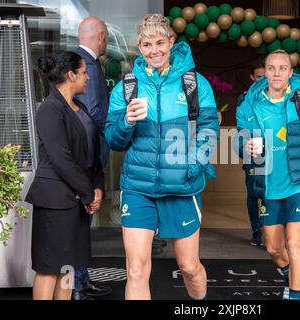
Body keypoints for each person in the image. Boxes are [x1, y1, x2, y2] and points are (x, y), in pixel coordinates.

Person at [105, 14, 219, 300]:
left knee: (189, 267)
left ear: (171, 42)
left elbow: (209, 130)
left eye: (159, 42)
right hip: (138, 188)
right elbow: (113, 140)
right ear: (139, 48)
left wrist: (193, 163)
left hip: (181, 188)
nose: (154, 50)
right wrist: (126, 122)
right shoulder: (127, 87)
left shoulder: (194, 83)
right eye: (146, 44)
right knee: (136, 270)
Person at [236, 49, 300, 300]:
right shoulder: (249, 104)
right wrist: (245, 146)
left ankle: (295, 294)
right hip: (269, 183)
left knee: (294, 244)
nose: (277, 73)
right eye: (272, 68)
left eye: (283, 68)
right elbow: (241, 141)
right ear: (265, 72)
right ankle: (289, 274)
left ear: (291, 72)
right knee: (273, 247)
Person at [25, 51, 105, 300]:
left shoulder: (78, 107)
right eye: (84, 73)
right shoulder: (50, 109)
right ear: (71, 75)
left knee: (69, 266)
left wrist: (97, 185)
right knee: (49, 269)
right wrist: (88, 192)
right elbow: (62, 160)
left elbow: (91, 150)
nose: (88, 78)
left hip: (77, 200)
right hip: (56, 201)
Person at [72, 16, 112, 300]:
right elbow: (94, 112)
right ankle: (75, 285)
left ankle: (81, 280)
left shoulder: (78, 62)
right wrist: (117, 128)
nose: (107, 41)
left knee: (83, 220)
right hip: (87, 153)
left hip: (84, 154)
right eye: (107, 36)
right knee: (78, 221)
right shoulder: (89, 67)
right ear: (100, 36)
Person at [237, 61, 266, 247]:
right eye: (259, 77)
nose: (262, 80)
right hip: (252, 153)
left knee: (269, 194)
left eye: (265, 77)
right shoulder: (244, 98)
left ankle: (269, 231)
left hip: (273, 153)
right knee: (252, 195)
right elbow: (242, 130)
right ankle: (257, 230)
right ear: (252, 78)